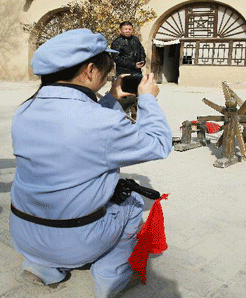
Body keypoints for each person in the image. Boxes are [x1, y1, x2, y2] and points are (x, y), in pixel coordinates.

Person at [10, 29, 172, 298]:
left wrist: (111, 99)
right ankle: (111, 277)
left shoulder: (24, 110)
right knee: (132, 202)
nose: (108, 75)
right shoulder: (100, 122)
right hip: (73, 242)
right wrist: (148, 100)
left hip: (23, 234)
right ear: (89, 70)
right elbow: (158, 143)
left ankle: (43, 269)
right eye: (106, 68)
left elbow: (81, 128)